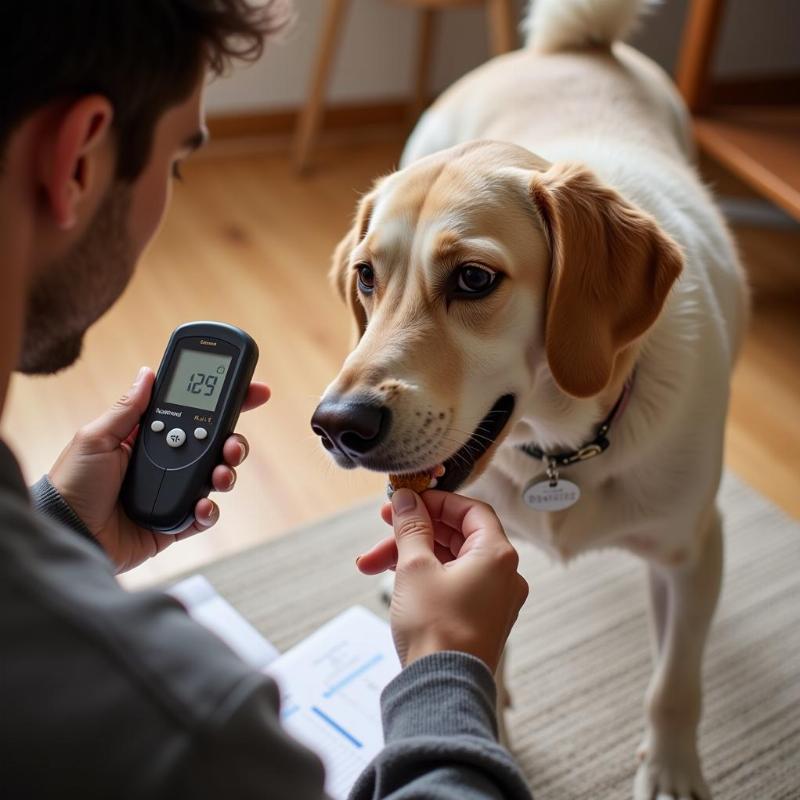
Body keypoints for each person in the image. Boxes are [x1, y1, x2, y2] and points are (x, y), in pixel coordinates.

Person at [0, 2, 531, 798]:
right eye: (179, 162)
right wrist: (447, 669)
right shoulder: (187, 731)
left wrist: (57, 533)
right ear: (78, 158)